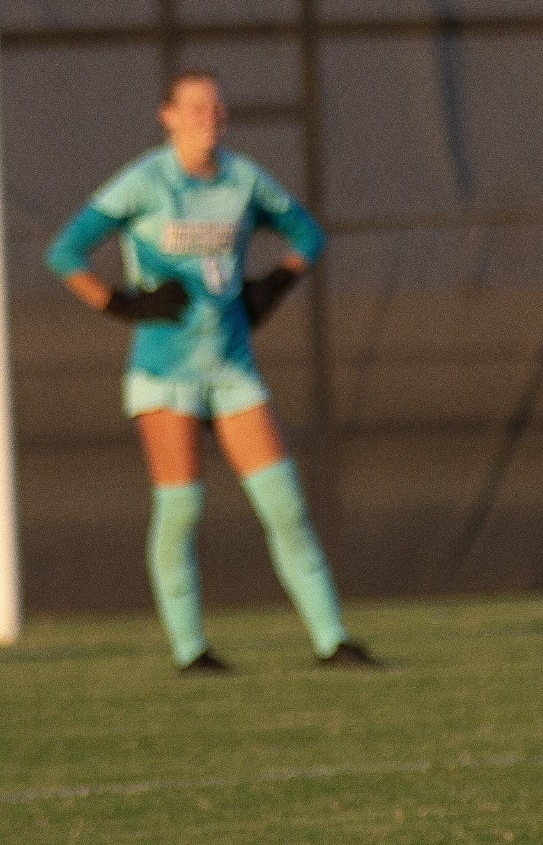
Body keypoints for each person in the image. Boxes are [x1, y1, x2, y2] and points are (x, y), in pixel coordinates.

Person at [46, 69, 373, 673]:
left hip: (231, 368)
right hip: (164, 373)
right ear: (167, 116)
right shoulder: (146, 182)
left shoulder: (243, 180)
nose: (207, 115)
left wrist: (273, 284)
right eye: (193, 106)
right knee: (182, 507)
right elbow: (64, 252)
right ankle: (190, 651)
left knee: (284, 504)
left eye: (215, 105)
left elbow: (307, 232)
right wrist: (123, 305)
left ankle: (333, 641)